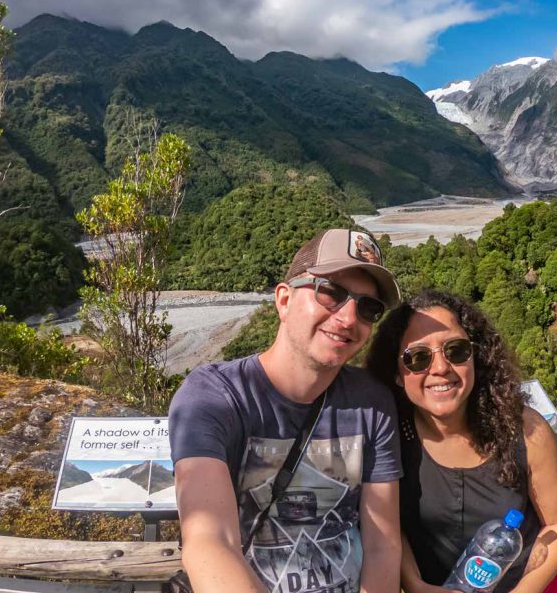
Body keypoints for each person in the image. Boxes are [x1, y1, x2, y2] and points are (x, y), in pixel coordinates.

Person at [169, 229, 403, 593]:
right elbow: (209, 541)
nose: (347, 318)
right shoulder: (215, 396)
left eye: (368, 308)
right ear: (283, 300)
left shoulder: (372, 401)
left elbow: (382, 543)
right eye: (331, 292)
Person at [365, 289, 557, 593]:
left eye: (455, 350)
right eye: (418, 357)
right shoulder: (390, 436)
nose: (440, 368)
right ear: (398, 373)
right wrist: (415, 584)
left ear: (476, 358)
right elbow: (387, 526)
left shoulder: (523, 429)